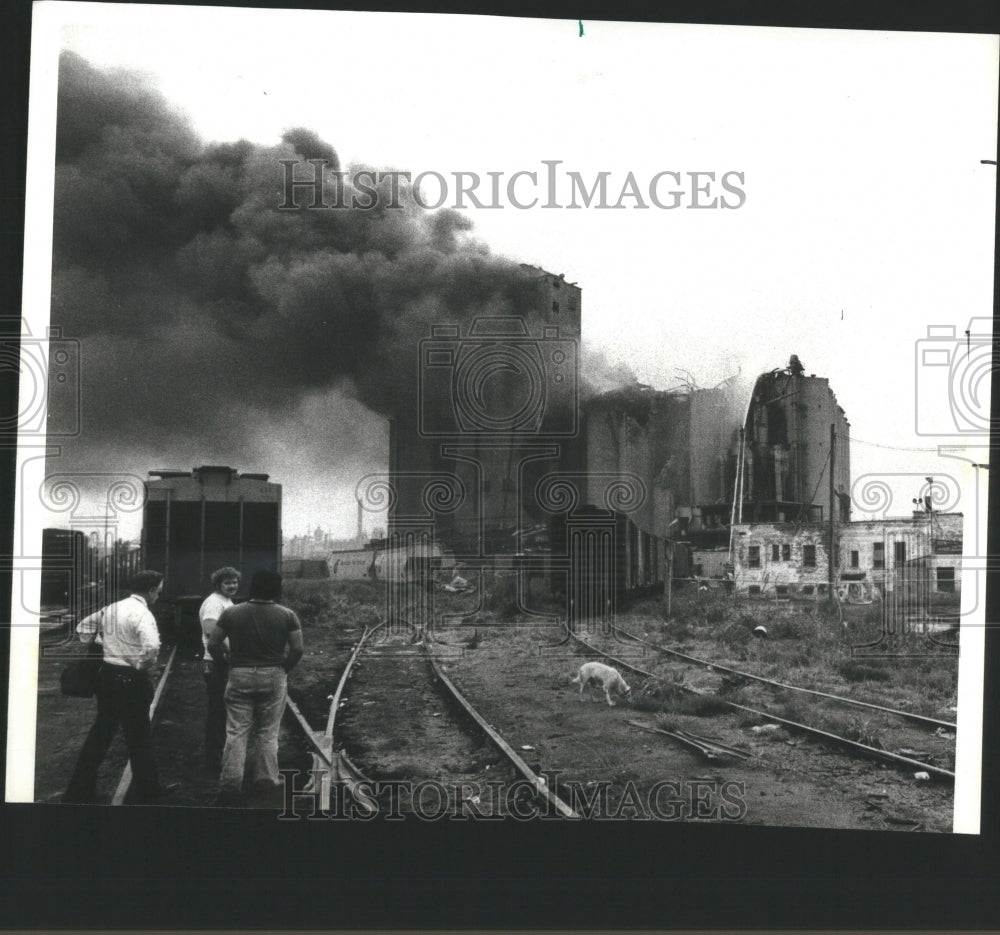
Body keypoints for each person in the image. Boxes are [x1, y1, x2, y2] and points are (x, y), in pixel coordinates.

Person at [64, 570, 179, 804]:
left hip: (106, 677)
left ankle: (78, 792)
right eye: (158, 589)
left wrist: (104, 643)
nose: (159, 594)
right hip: (130, 681)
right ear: (150, 591)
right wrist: (140, 665)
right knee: (139, 737)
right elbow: (152, 648)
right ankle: (148, 790)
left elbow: (83, 628)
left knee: (100, 735)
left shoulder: (112, 607)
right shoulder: (142, 614)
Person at [208, 569, 303, 806]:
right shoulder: (288, 615)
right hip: (273, 675)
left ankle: (229, 786)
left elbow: (213, 643)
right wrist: (283, 669)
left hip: (239, 674)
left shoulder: (231, 613)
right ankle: (266, 780)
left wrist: (227, 665)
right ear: (276, 589)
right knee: (268, 732)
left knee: (236, 732)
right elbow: (297, 649)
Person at [199, 566, 241, 771]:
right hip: (215, 662)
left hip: (220, 661)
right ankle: (214, 760)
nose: (232, 586)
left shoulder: (225, 601)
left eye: (235, 582)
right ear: (218, 585)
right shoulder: (214, 603)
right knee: (217, 710)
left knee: (222, 710)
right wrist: (228, 653)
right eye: (228, 583)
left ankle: (219, 754)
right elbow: (209, 631)